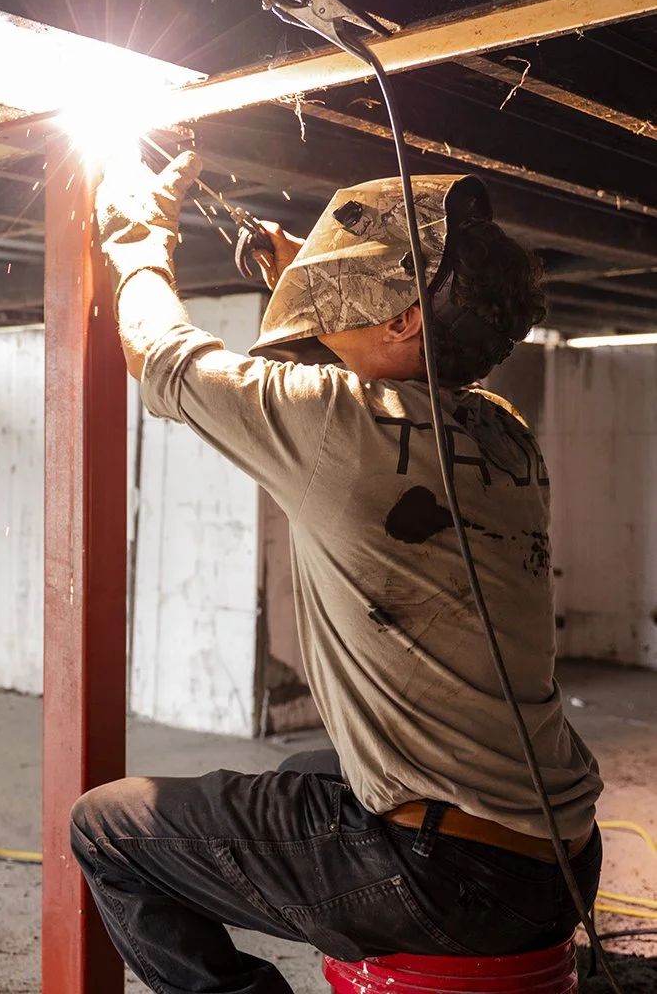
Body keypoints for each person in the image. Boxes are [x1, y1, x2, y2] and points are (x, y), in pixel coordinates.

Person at [71, 150, 603, 994]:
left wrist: (137, 234)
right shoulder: (506, 433)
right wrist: (308, 283)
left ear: (401, 321)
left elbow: (159, 353)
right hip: (564, 863)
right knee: (301, 776)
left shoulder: (330, 425)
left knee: (107, 825)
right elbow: (369, 386)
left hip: (441, 879)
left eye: (359, 286)